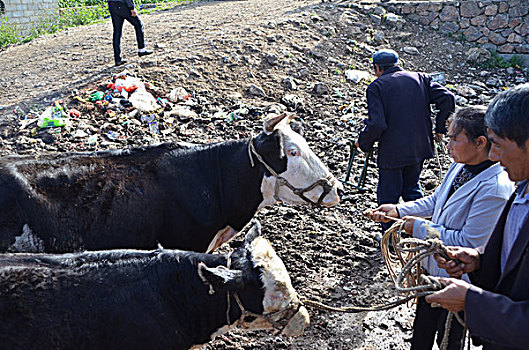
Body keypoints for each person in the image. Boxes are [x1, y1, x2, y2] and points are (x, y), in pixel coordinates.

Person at [367, 106, 514, 349]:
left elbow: (467, 242)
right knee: (421, 331)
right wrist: (399, 210)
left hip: (458, 280)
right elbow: (437, 200)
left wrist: (420, 229)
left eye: (455, 139)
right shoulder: (461, 165)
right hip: (432, 271)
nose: (448, 146)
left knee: (448, 337)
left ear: (479, 142)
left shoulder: (495, 188)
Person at [426, 84, 529, 349]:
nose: (493, 156)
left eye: (497, 144)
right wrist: (480, 261)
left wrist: (472, 302)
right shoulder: (521, 190)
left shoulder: (498, 187)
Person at [355, 49, 455, 233]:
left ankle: (391, 239)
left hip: (393, 152)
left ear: (377, 68)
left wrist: (364, 142)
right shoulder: (420, 78)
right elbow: (448, 98)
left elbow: (377, 124)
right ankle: (419, 232)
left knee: (388, 195)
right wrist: (440, 129)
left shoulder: (376, 86)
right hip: (419, 147)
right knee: (412, 189)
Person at [107, 0, 153, 66]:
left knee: (117, 32)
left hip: (112, 5)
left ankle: (117, 59)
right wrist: (132, 8)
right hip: (122, 5)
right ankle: (141, 49)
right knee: (138, 24)